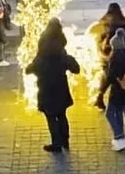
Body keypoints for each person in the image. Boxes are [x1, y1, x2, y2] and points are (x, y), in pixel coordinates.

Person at [26, 18, 81, 153]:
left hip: (46, 91)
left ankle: (56, 143)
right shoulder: (62, 55)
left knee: (51, 117)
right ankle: (65, 141)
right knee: (62, 115)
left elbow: (29, 70)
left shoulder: (41, 57)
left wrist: (31, 68)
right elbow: (76, 69)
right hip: (61, 90)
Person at [101, 29, 125, 151]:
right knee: (119, 112)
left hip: (117, 89)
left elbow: (110, 77)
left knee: (109, 114)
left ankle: (119, 136)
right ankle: (122, 135)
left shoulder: (115, 58)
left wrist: (103, 89)